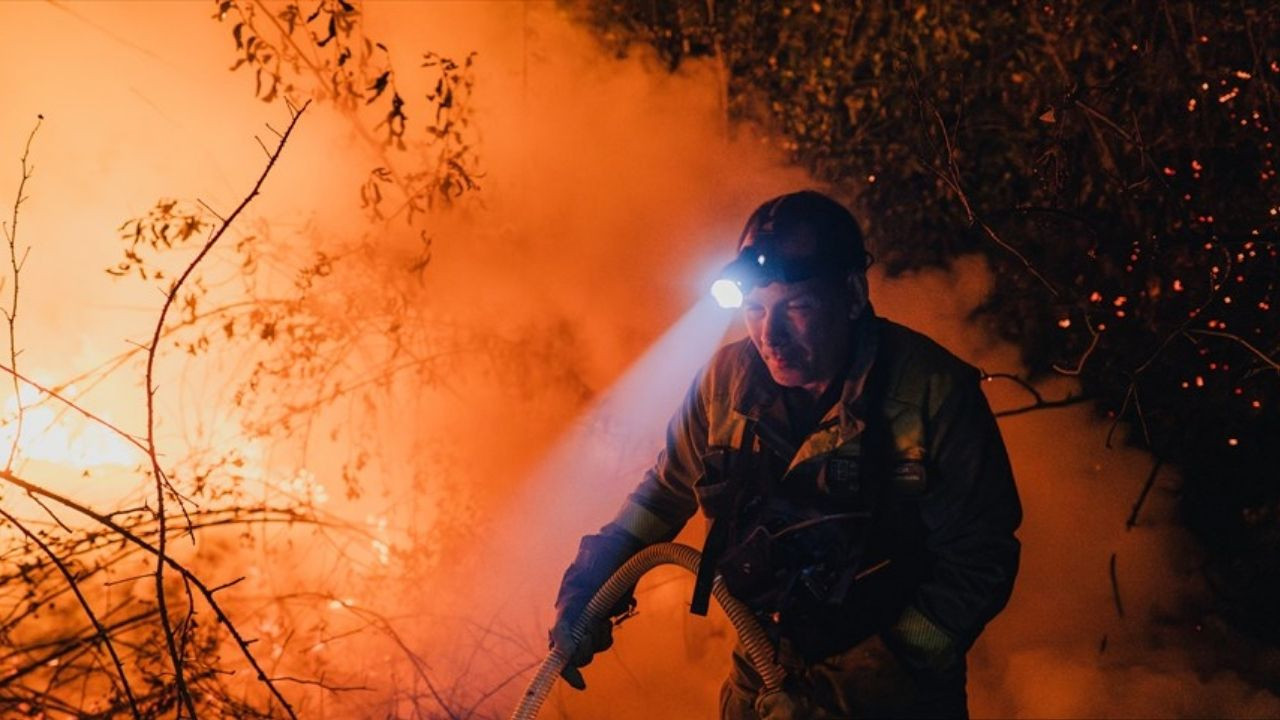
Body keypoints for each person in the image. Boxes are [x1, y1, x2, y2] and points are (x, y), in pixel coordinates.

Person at [550, 190, 1021, 719]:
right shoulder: (723, 383)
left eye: (795, 308)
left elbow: (981, 556)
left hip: (895, 697)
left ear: (851, 295)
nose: (768, 335)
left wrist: (876, 673)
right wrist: (591, 589)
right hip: (763, 683)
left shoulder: (930, 391)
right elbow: (662, 497)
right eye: (754, 309)